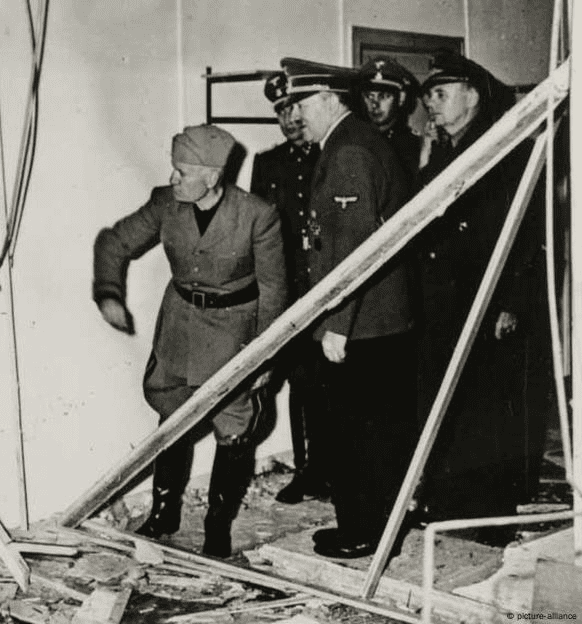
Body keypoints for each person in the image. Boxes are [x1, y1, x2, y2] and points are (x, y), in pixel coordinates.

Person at [93, 124, 287, 557]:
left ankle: (217, 528)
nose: (173, 178)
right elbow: (115, 242)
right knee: (172, 417)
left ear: (212, 177)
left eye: (182, 172)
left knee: (234, 429)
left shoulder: (257, 215)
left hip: (235, 332)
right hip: (180, 327)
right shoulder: (165, 203)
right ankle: (164, 514)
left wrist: (265, 358)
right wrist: (109, 292)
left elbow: (275, 291)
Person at [280, 57, 417, 559]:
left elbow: (355, 249)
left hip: (363, 323)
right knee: (366, 432)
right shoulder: (350, 142)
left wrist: (337, 325)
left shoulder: (350, 151)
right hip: (373, 319)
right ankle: (368, 526)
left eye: (302, 104)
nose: (296, 116)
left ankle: (364, 532)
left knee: (359, 435)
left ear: (329, 99)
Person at [414, 51, 546, 545]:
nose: (431, 104)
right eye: (428, 96)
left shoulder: (504, 149)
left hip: (488, 300)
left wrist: (512, 302)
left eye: (440, 94)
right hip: (445, 300)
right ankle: (449, 501)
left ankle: (491, 514)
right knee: (449, 402)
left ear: (471, 96)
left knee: (490, 407)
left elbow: (527, 233)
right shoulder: (445, 150)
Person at [250, 72, 331, 505]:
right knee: (300, 384)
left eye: (296, 108)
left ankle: (338, 470)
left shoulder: (332, 155)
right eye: (281, 112)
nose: (290, 119)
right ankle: (307, 471)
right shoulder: (268, 164)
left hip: (328, 287)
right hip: (288, 294)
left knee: (334, 384)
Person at [356, 56, 421, 178]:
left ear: (401, 98)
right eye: (369, 96)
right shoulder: (355, 139)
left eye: (384, 96)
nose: (374, 105)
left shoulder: (413, 146)